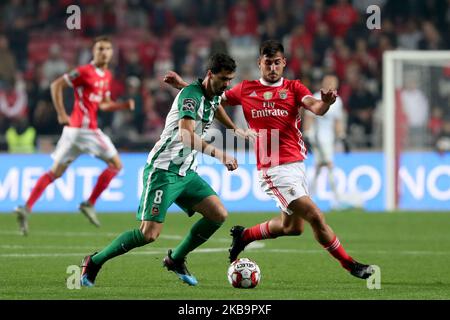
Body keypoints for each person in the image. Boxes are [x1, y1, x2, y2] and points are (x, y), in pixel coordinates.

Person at [166, 40, 374, 280]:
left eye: (277, 63)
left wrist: (326, 102)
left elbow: (315, 108)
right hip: (273, 168)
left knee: (292, 228)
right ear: (259, 63)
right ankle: (350, 265)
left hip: (296, 165)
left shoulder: (295, 88)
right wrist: (181, 86)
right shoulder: (245, 89)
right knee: (316, 216)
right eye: (268, 63)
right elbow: (210, 97)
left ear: (284, 63)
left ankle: (245, 236)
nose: (273, 68)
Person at [80, 53, 250, 287]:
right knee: (148, 234)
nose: (227, 84)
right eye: (223, 79)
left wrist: (235, 129)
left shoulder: (211, 93)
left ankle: (176, 259)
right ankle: (94, 261)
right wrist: (220, 154)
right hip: (163, 170)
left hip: (186, 171)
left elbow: (215, 105)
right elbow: (186, 135)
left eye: (230, 79)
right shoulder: (191, 96)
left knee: (218, 214)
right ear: (210, 74)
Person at [14, 36, 135, 235]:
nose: (104, 52)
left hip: (72, 133)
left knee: (55, 172)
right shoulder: (83, 71)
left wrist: (122, 106)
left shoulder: (106, 75)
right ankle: (89, 203)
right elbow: (56, 85)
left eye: (107, 49)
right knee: (116, 165)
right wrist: (61, 113)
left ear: (112, 53)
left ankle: (25, 207)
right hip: (85, 130)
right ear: (93, 52)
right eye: (100, 49)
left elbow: (103, 104)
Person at [303, 74, 348, 207]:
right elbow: (309, 118)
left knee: (318, 168)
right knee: (329, 165)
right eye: (331, 83)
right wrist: (307, 135)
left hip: (330, 138)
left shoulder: (337, 101)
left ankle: (308, 198)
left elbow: (337, 121)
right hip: (319, 138)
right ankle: (337, 200)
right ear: (325, 84)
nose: (333, 86)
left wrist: (342, 137)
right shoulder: (316, 97)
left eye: (335, 83)